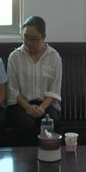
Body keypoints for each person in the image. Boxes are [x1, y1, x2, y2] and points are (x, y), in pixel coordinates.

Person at [7, 16, 62, 145]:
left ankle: (50, 155)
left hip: (46, 103)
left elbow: (54, 90)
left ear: (43, 37)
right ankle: (25, 157)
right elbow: (12, 90)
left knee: (52, 121)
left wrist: (41, 108)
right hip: (21, 104)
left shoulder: (54, 57)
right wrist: (28, 107)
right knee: (26, 124)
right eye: (25, 37)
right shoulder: (15, 57)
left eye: (34, 39)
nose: (29, 42)